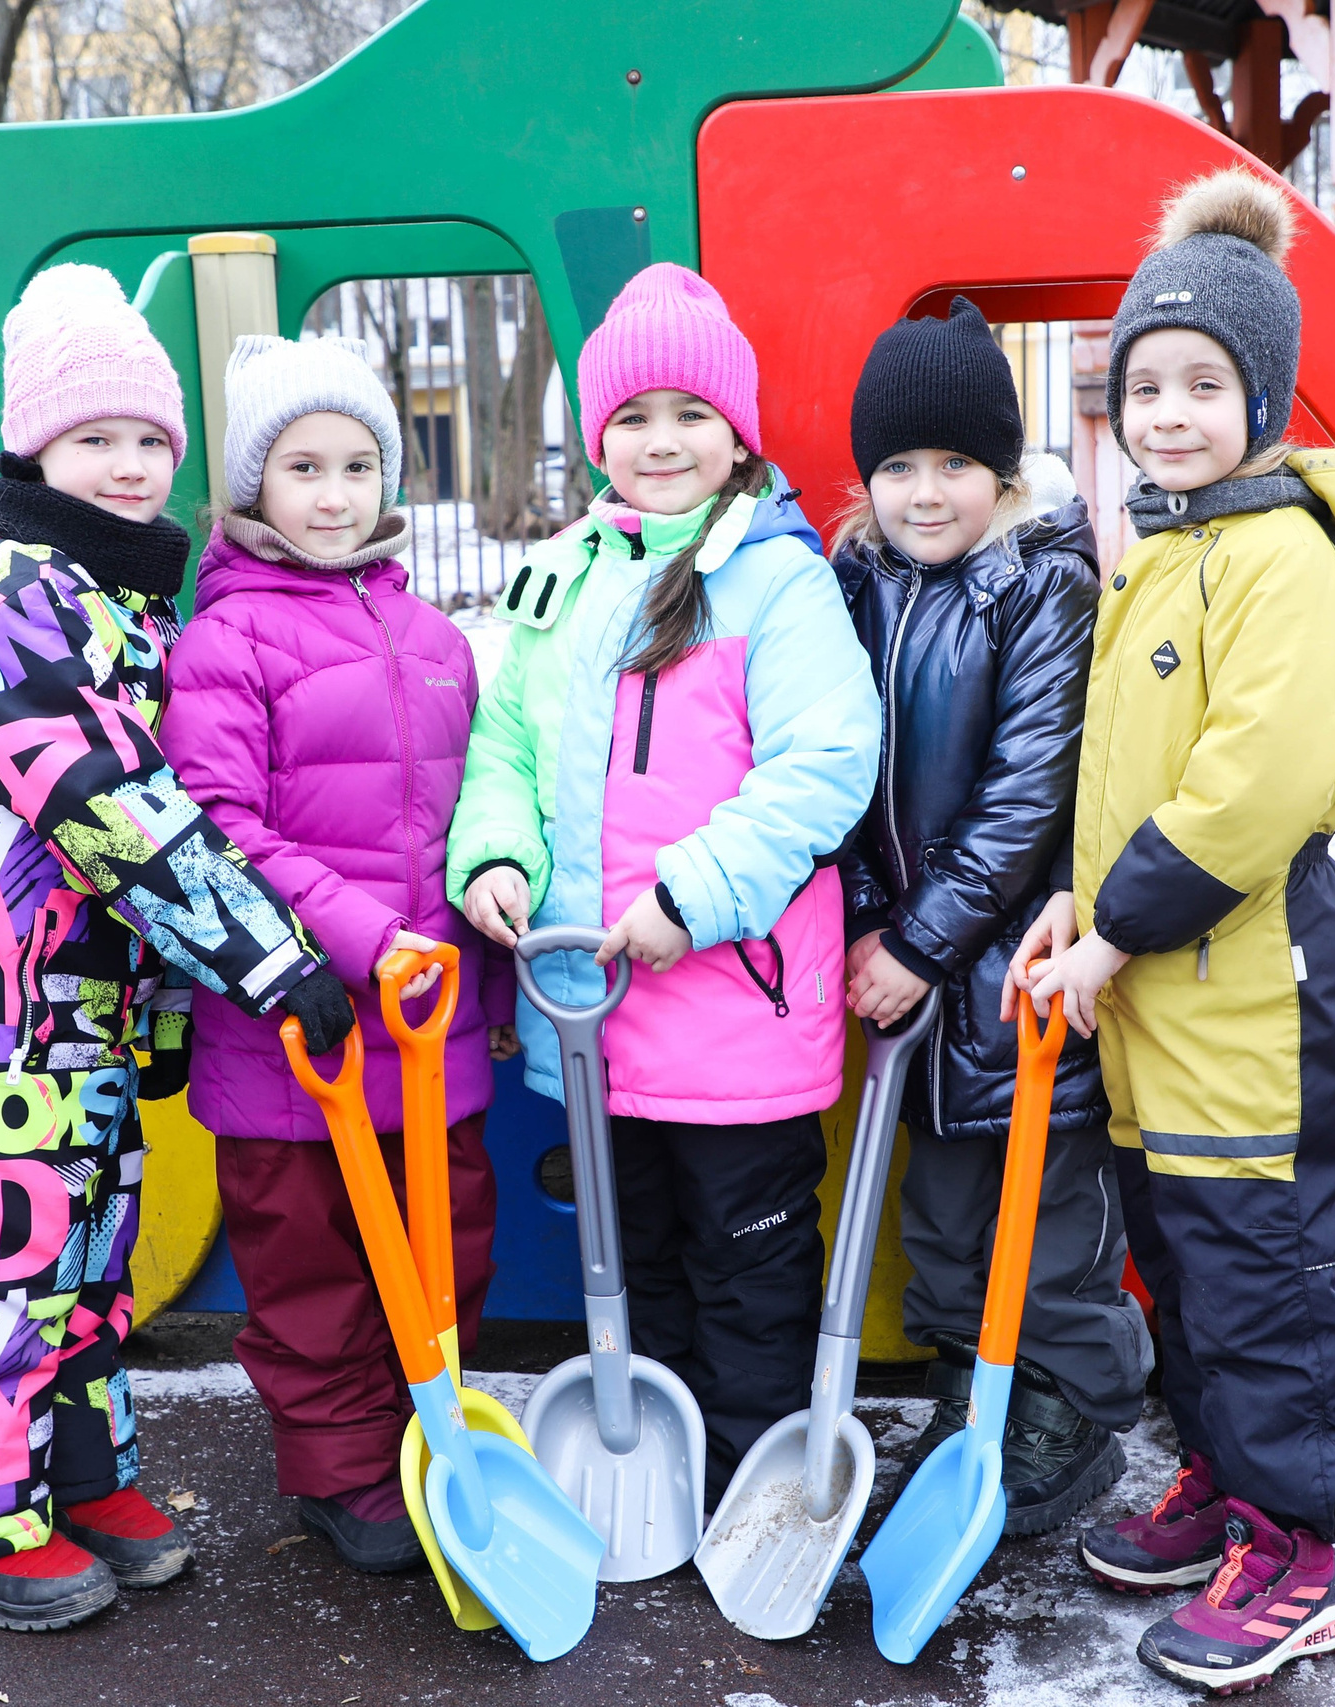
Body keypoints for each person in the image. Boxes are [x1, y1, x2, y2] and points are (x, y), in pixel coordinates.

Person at [1008, 170, 1335, 1693]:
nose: (1172, 411)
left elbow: (1248, 788)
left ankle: (1299, 1546)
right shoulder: (1168, 552)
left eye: (1208, 384)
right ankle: (1223, 1485)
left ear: (1264, 396)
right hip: (1157, 1004)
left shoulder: (1281, 560)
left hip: (1244, 1001)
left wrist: (1115, 930)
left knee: (1261, 1286)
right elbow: (1126, 773)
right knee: (1185, 1274)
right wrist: (1077, 895)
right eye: (1148, 384)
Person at [0, 264, 355, 1633]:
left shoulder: (122, 599)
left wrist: (148, 1022)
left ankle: (76, 1474)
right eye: (100, 440)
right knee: (0, 1259)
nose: (134, 466)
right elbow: (115, 817)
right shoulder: (30, 601)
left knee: (87, 1248)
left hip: (68, 999)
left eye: (152, 440)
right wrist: (270, 956)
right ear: (35, 450)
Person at [447, 263, 879, 1499]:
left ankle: (750, 1488)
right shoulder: (567, 573)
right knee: (626, 1263)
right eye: (632, 418)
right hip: (591, 1015)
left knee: (746, 1274)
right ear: (597, 439)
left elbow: (826, 763)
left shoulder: (777, 579)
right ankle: (664, 1488)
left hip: (730, 1009)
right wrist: (493, 856)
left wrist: (690, 895)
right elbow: (508, 746)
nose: (660, 441)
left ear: (736, 432)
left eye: (689, 414)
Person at [157, 333, 511, 1574]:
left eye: (357, 464)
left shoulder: (437, 640)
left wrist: (493, 971)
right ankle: (339, 1472)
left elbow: (474, 821)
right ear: (251, 488)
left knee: (442, 1247)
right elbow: (222, 831)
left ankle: (433, 1438)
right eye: (301, 466)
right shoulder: (224, 644)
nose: (333, 493)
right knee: (312, 1266)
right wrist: (365, 939)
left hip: (435, 1029)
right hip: (294, 1031)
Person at [832, 297, 1150, 1536]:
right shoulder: (856, 576)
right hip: (905, 973)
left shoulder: (1039, 581)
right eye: (898, 465)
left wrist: (917, 941)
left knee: (1046, 1213)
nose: (925, 493)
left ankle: (1077, 1411)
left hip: (1011, 967)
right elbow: (836, 763)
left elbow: (1031, 790)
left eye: (956, 464)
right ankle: (981, 1403)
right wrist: (866, 916)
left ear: (1001, 471)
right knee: (946, 1221)